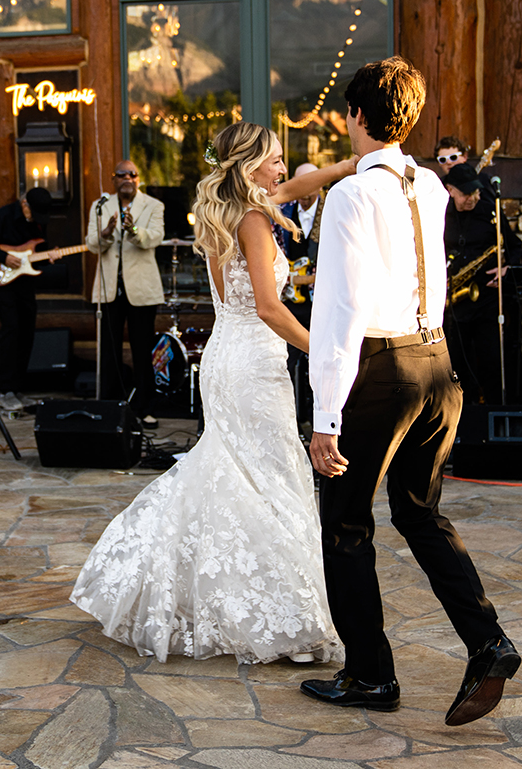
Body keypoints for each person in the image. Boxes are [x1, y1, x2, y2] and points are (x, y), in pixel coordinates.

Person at [72, 122, 355, 664]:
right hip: (251, 361)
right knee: (267, 478)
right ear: (250, 167)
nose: (282, 168)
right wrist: (327, 352)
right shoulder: (251, 219)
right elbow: (271, 309)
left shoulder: (225, 208)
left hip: (229, 355)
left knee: (237, 471)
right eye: (274, 159)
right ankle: (281, 620)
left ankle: (225, 600)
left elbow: (296, 188)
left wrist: (345, 167)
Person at [304, 56, 519, 726]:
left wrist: (325, 415)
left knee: (344, 523)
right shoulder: (426, 184)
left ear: (357, 116)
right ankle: (488, 641)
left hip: (383, 368)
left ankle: (369, 675)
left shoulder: (350, 196)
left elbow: (339, 310)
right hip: (437, 363)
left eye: (347, 111)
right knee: (420, 513)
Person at [86, 161, 165, 426]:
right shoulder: (100, 206)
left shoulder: (153, 205)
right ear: (114, 179)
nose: (127, 178)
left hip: (141, 290)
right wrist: (106, 233)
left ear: (138, 179)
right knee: (109, 351)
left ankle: (145, 408)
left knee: (142, 350)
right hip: (110, 290)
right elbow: (92, 244)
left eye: (132, 174)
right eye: (122, 175)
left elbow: (155, 237)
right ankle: (110, 406)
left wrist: (132, 230)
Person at [443, 162, 522, 404]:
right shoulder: (439, 214)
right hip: (453, 301)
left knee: (490, 359)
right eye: (466, 193)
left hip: (486, 297)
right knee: (456, 362)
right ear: (450, 191)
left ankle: (493, 411)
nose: (473, 198)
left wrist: (507, 268)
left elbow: (515, 246)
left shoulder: (490, 212)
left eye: (476, 192)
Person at [0, 187, 56, 412]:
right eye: (33, 213)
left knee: (27, 329)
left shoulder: (37, 221)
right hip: (3, 278)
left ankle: (17, 389)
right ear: (24, 205)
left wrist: (50, 256)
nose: (36, 218)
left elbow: (36, 255)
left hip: (25, 282)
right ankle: (5, 390)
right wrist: (3, 256)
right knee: (11, 328)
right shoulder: (2, 216)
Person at [275, 162, 323, 429]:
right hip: (288, 302)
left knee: (319, 360)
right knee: (287, 359)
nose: (305, 192)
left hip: (319, 302)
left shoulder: (330, 211)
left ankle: (320, 421)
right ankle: (293, 419)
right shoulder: (282, 211)